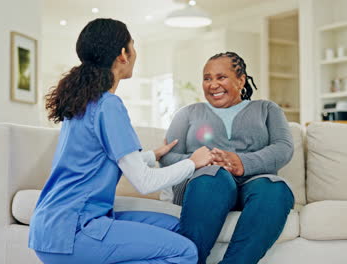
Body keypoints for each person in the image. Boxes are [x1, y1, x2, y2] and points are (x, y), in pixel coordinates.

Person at [28, 18, 213, 264]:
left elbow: (98, 159)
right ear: (123, 55)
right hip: (72, 232)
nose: (135, 53)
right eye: (133, 45)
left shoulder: (83, 103)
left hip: (52, 225)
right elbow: (145, 182)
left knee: (175, 227)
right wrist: (193, 162)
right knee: (184, 251)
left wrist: (150, 156)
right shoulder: (108, 105)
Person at [160, 51, 295, 264]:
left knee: (276, 188)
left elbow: (284, 147)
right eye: (207, 78)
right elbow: (167, 157)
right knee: (213, 177)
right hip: (203, 185)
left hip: (254, 184)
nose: (213, 84)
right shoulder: (188, 113)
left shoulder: (266, 109)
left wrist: (243, 163)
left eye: (221, 77)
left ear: (241, 80)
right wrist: (197, 161)